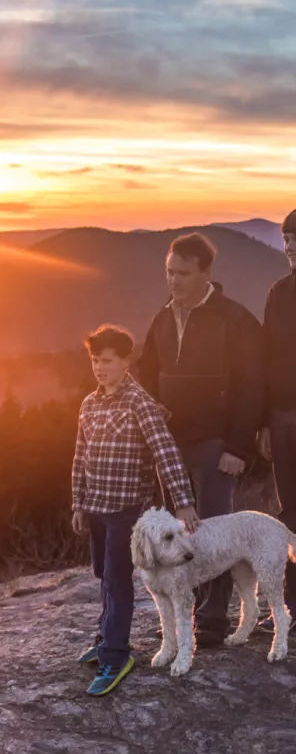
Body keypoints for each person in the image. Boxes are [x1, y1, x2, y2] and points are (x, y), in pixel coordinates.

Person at [137, 232, 263, 645]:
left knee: (211, 534)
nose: (174, 281)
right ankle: (181, 617)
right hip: (170, 448)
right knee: (176, 535)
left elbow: (251, 387)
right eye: (169, 272)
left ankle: (212, 621)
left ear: (206, 273)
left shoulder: (234, 319)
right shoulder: (162, 316)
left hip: (215, 445)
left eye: (183, 273)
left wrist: (237, 447)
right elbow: (146, 372)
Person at [72, 325, 198, 697]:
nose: (100, 368)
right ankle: (105, 636)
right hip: (96, 506)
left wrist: (183, 502)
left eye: (107, 361)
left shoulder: (139, 403)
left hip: (127, 510)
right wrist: (78, 503)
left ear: (126, 362)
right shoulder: (89, 404)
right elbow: (80, 457)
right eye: (95, 360)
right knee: (104, 576)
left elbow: (165, 453)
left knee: (117, 578)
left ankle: (116, 654)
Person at [257, 209, 296, 633]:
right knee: (290, 516)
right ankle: (290, 609)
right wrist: (265, 420)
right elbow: (265, 361)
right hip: (283, 417)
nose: (290, 247)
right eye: (287, 239)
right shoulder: (278, 293)